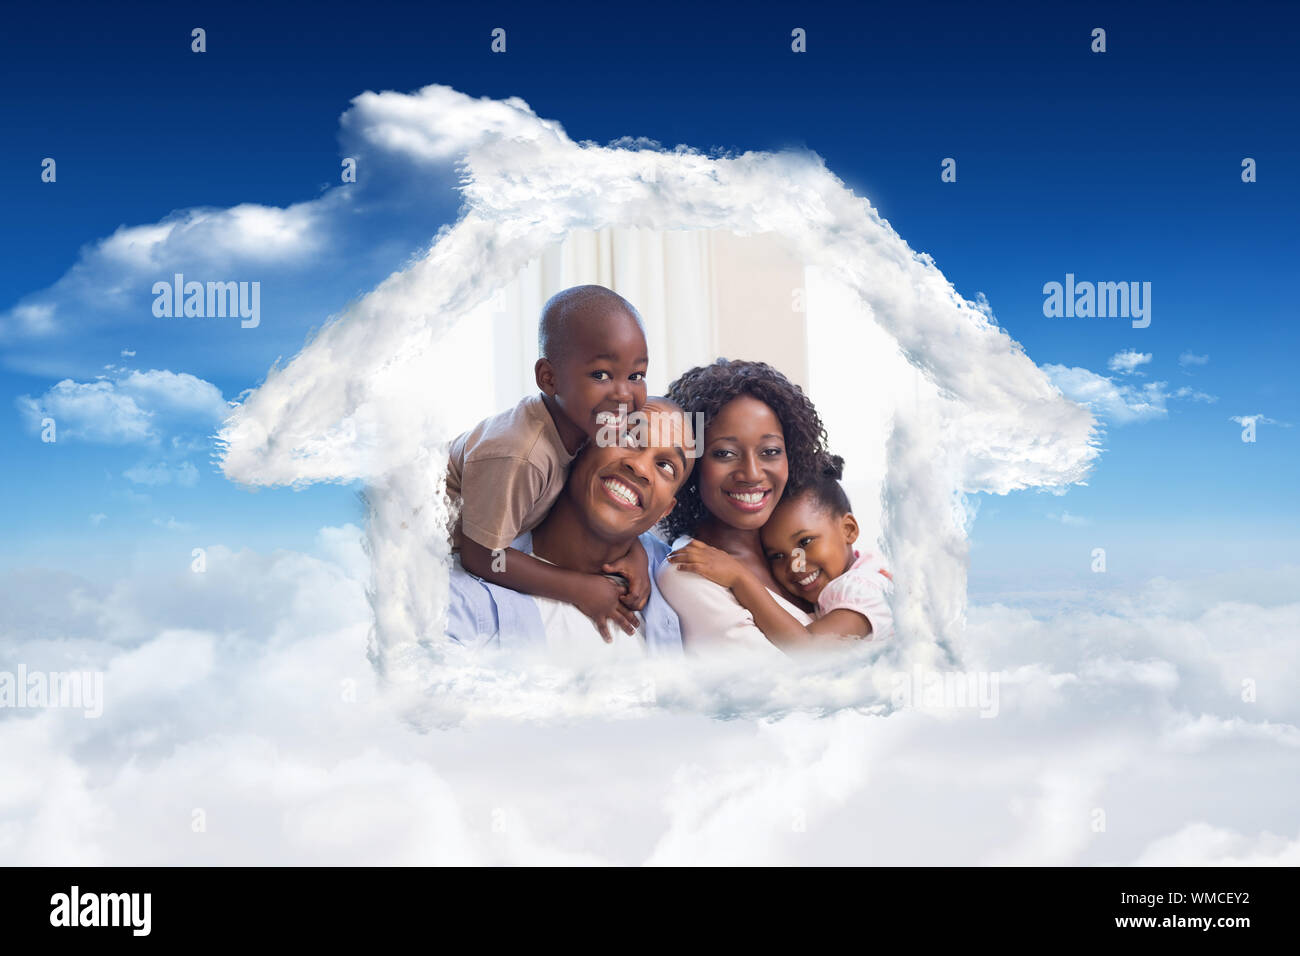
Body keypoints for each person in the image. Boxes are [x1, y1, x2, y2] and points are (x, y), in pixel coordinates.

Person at [445, 285, 652, 641]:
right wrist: (579, 588)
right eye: (601, 375)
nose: (622, 393)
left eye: (636, 376)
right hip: (421, 534)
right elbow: (481, 557)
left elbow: (597, 507)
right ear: (549, 378)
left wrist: (637, 553)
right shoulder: (522, 454)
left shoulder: (594, 424)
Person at [447, 398, 696, 661]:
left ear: (666, 509)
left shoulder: (674, 578)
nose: (641, 466)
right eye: (629, 437)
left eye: (666, 466)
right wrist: (579, 587)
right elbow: (482, 555)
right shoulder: (462, 602)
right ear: (582, 444)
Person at [654, 359, 831, 656]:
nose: (751, 473)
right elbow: (792, 689)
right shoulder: (688, 571)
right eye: (725, 453)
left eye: (770, 452)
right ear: (691, 462)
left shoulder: (802, 544)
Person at [666, 453, 894, 649]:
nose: (795, 563)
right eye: (777, 556)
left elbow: (811, 651)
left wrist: (739, 577)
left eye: (805, 542)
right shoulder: (846, 580)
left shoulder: (863, 588)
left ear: (848, 530)